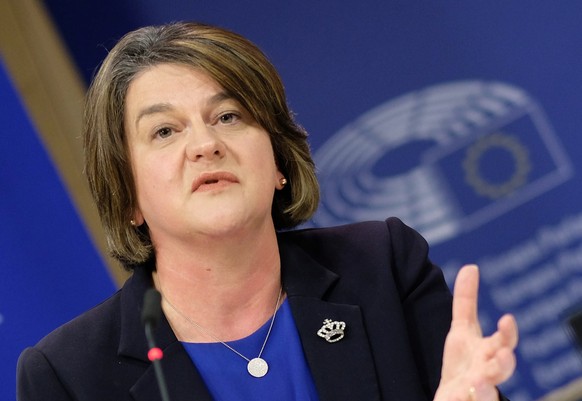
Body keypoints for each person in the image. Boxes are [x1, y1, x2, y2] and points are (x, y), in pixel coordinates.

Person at [16, 22, 518, 401]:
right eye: (165, 131)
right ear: (127, 195)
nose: (206, 144)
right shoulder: (68, 374)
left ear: (278, 159)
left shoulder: (383, 266)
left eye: (229, 116)